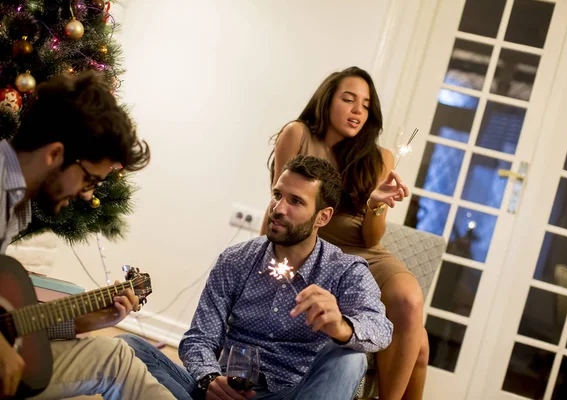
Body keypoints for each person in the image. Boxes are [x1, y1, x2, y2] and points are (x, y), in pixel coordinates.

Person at [119, 155, 392, 400]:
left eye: (295, 201)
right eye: (277, 195)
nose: (278, 208)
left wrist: (341, 327)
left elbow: (381, 330)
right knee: (127, 348)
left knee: (351, 359)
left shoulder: (344, 270)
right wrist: (210, 379)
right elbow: (199, 338)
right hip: (224, 392)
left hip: (291, 394)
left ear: (323, 217)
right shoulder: (236, 260)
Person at [0, 71, 175, 399]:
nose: (86, 195)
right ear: (54, 155)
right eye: (90, 180)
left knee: (116, 357)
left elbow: (10, 323)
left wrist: (85, 321)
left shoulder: (17, 205)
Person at [261, 66, 428, 400]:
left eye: (365, 105)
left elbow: (371, 239)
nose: (357, 111)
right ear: (326, 101)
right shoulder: (298, 135)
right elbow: (280, 206)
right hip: (314, 252)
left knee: (409, 301)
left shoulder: (379, 158)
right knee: (420, 347)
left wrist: (375, 204)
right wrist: (264, 260)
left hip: (364, 255)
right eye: (348, 99)